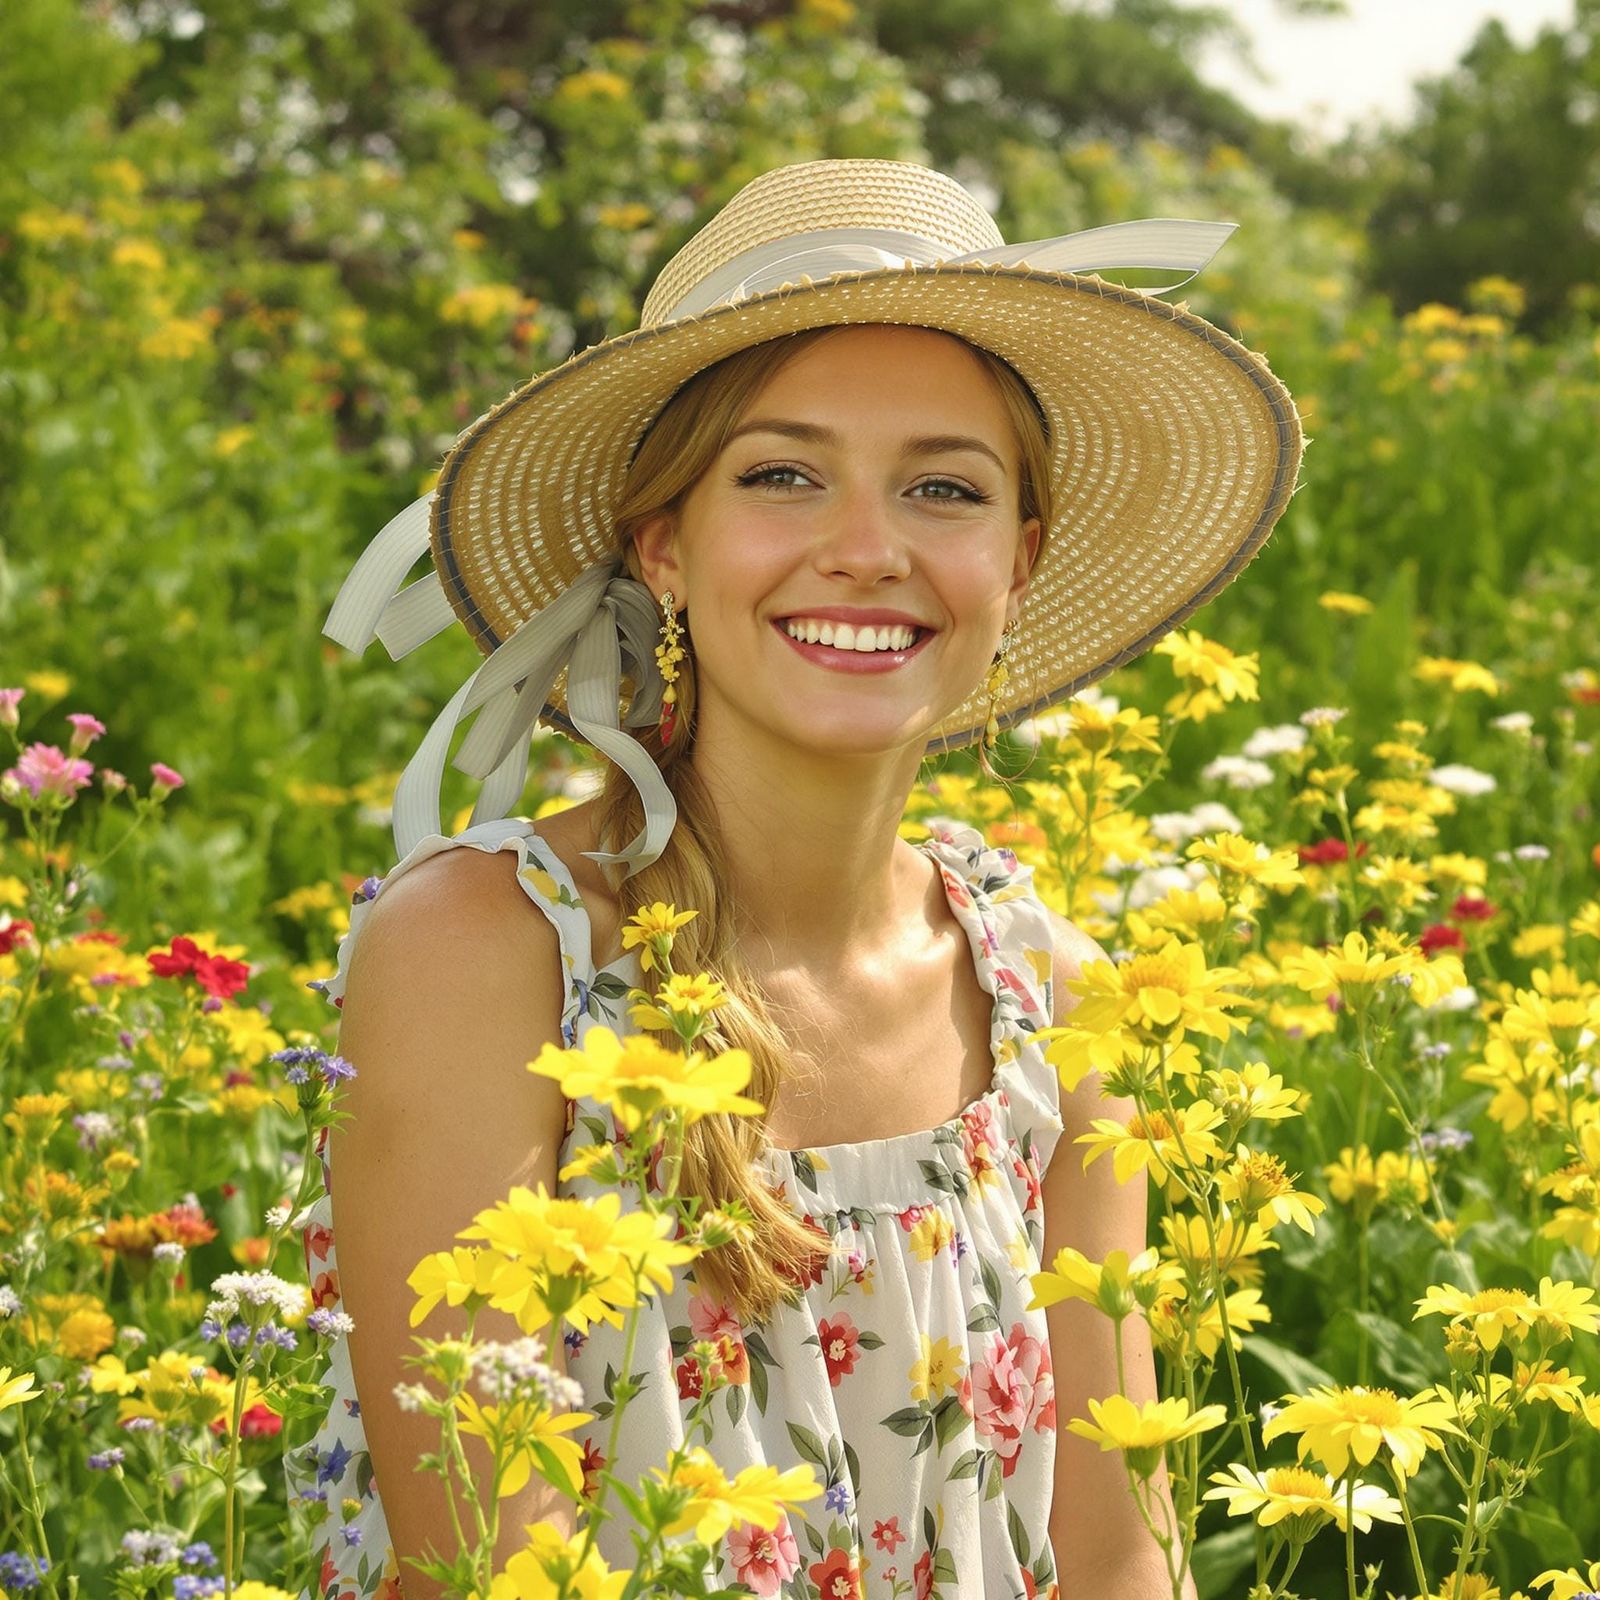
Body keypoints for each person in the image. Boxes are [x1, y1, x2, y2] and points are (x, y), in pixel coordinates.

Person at [290, 158, 1303, 1599]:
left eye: (942, 489)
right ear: (667, 549)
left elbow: (1120, 1560)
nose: (867, 550)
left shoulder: (1050, 995)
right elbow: (480, 1564)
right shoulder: (489, 953)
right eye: (782, 475)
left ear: (1017, 567)